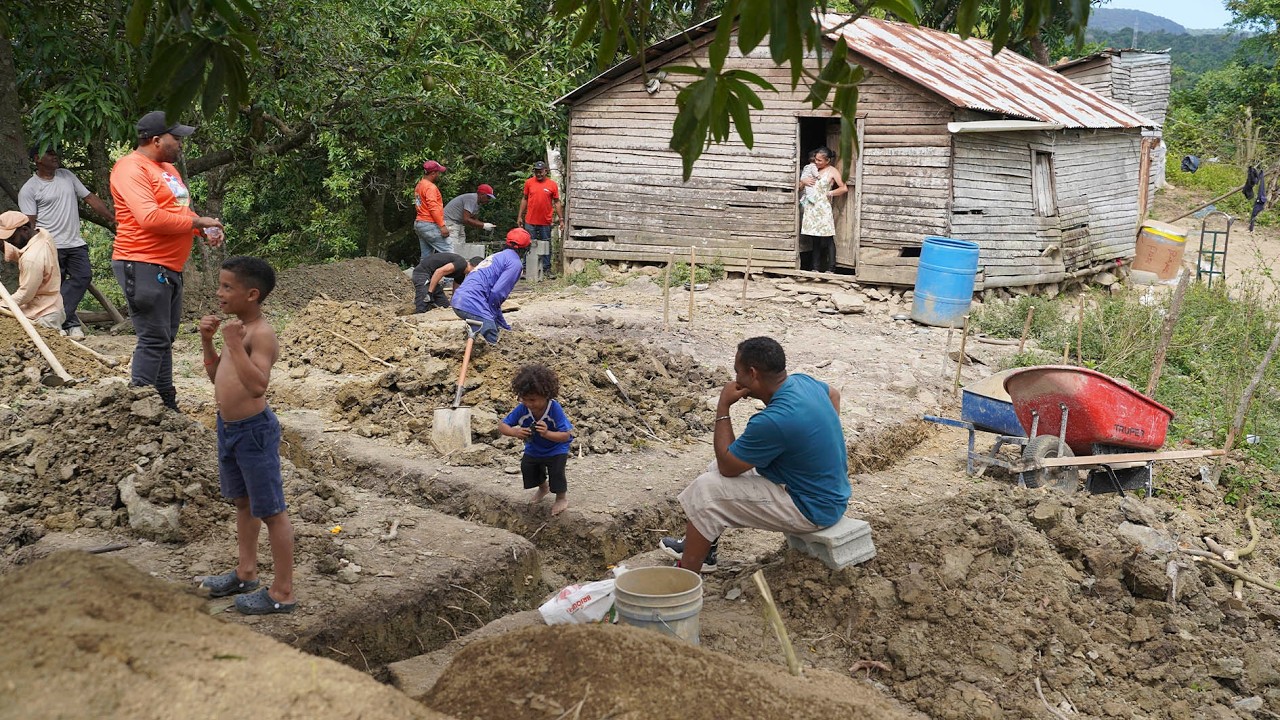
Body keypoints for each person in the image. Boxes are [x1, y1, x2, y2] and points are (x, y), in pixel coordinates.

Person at [660, 336, 849, 573]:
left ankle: (685, 577)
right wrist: (814, 441)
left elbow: (729, 465)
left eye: (738, 372)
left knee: (706, 490)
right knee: (714, 469)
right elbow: (834, 395)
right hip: (829, 493)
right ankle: (704, 551)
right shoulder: (802, 383)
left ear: (752, 373)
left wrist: (723, 406)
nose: (735, 379)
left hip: (813, 509)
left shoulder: (774, 420)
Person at [198, 256, 296, 615]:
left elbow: (258, 386)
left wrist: (233, 343)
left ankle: (283, 592)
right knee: (243, 503)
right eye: (220, 285)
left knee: (272, 512)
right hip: (229, 429)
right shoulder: (237, 330)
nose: (219, 293)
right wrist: (210, 342)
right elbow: (217, 377)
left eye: (227, 287)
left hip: (254, 432)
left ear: (252, 294)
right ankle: (246, 572)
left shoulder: (260, 334)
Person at [111, 111, 224, 411]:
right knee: (153, 338)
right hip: (142, 261)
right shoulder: (130, 168)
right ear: (156, 140)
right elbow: (148, 217)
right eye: (177, 138)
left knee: (165, 338)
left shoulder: (168, 170)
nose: (181, 144)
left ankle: (165, 405)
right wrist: (197, 223)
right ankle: (139, 408)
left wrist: (202, 230)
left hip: (168, 267)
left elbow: (180, 212)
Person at [18, 147, 114, 339]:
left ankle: (59, 320)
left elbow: (89, 198)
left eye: (56, 152)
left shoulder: (67, 176)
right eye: (49, 153)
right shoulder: (30, 188)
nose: (55, 156)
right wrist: (31, 249)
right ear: (37, 159)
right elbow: (29, 224)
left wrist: (111, 218)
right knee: (54, 286)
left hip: (75, 242)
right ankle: (70, 325)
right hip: (50, 245)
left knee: (83, 276)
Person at [499, 364, 574, 516]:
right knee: (528, 467)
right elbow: (502, 425)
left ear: (546, 396)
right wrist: (516, 432)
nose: (528, 404)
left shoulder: (554, 409)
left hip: (556, 447)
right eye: (524, 399)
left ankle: (561, 498)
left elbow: (565, 435)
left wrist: (547, 433)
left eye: (533, 400)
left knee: (557, 470)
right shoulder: (523, 409)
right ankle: (543, 487)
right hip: (534, 447)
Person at [450, 228, 530, 344]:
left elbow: (493, 300)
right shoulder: (515, 263)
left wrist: (501, 324)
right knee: (491, 334)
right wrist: (497, 322)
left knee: (487, 326)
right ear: (526, 248)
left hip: (459, 299)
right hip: (471, 302)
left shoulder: (497, 256)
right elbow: (497, 294)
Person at [0, 211, 64, 329]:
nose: (9, 241)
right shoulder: (43, 235)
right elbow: (25, 255)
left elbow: (25, 295)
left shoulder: (31, 258)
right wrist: (3, 246)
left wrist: (3, 304)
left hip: (42, 315)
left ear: (24, 230)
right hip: (52, 306)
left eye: (11, 238)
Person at [797, 146, 847, 273]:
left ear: (827, 161)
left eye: (819, 160)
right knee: (814, 238)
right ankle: (815, 268)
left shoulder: (832, 171)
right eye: (816, 159)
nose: (816, 162)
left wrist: (829, 193)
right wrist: (803, 182)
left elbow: (843, 188)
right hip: (811, 208)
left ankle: (831, 268)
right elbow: (799, 188)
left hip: (823, 208)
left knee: (828, 237)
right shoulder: (810, 169)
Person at [516, 161, 562, 276]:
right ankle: (526, 269)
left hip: (545, 221)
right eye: (536, 172)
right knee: (528, 243)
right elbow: (525, 199)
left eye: (541, 172)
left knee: (546, 244)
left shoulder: (552, 184)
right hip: (530, 220)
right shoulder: (529, 183)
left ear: (545, 171)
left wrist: (561, 219)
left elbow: (557, 202)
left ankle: (546, 269)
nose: (539, 174)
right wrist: (520, 216)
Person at [412, 252, 482, 312]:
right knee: (424, 299)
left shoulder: (461, 274)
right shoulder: (461, 264)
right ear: (476, 267)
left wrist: (455, 303)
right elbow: (439, 272)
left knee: (445, 305)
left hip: (432, 278)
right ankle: (419, 316)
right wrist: (430, 292)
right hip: (422, 273)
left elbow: (456, 290)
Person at [414, 160, 449, 258]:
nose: (439, 175)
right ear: (433, 173)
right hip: (429, 223)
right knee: (449, 253)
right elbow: (433, 207)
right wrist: (442, 226)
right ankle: (452, 273)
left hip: (420, 223)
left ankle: (422, 273)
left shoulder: (419, 185)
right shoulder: (430, 187)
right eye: (438, 172)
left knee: (426, 256)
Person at [797, 150, 819, 271]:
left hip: (818, 208)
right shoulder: (804, 173)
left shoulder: (822, 173)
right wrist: (802, 182)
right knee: (803, 235)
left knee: (815, 237)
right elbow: (798, 187)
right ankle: (804, 265)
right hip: (804, 207)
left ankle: (814, 265)